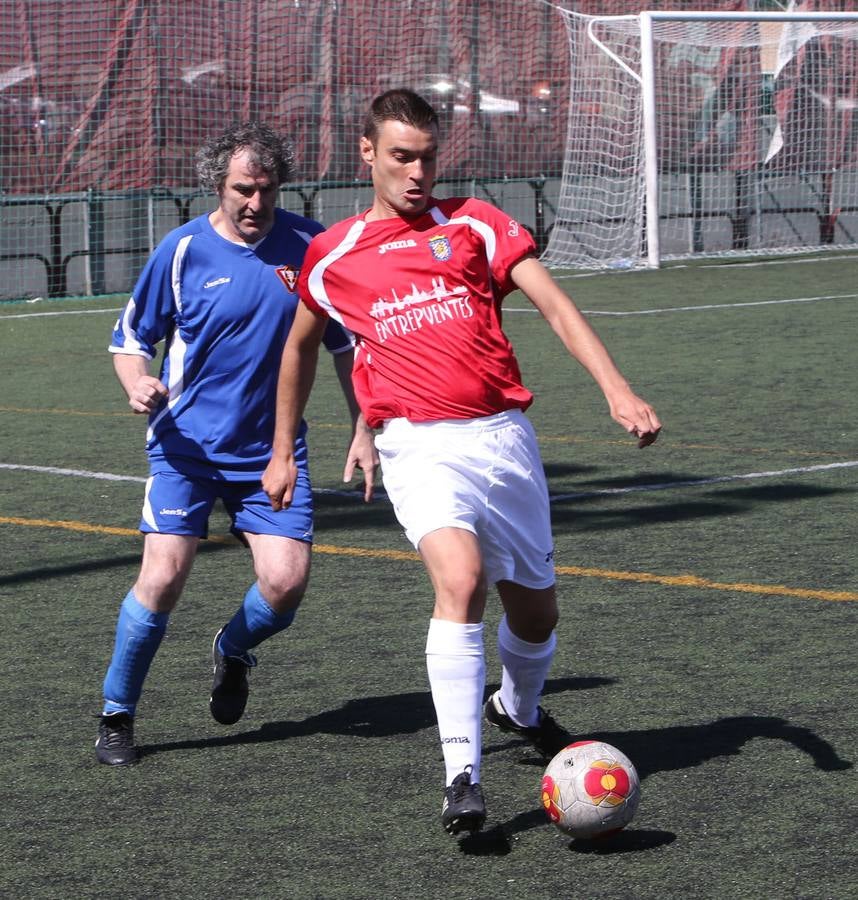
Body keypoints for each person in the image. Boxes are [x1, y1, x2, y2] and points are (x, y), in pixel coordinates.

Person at [261, 89, 661, 834]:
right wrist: (284, 449)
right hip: (417, 444)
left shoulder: (473, 223)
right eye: (401, 157)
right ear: (368, 153)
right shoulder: (334, 254)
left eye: (427, 158)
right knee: (462, 580)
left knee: (536, 611)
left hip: (503, 439)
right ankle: (462, 777)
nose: (416, 173)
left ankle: (518, 708)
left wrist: (617, 389)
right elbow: (299, 347)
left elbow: (555, 304)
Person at [95, 121, 377, 766]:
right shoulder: (182, 251)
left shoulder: (309, 247)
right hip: (186, 448)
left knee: (284, 584)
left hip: (273, 454)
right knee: (162, 577)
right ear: (217, 187)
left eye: (267, 191)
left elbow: (346, 348)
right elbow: (131, 338)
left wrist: (365, 425)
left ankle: (233, 647)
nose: (256, 204)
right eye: (243, 190)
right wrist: (137, 381)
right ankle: (117, 714)